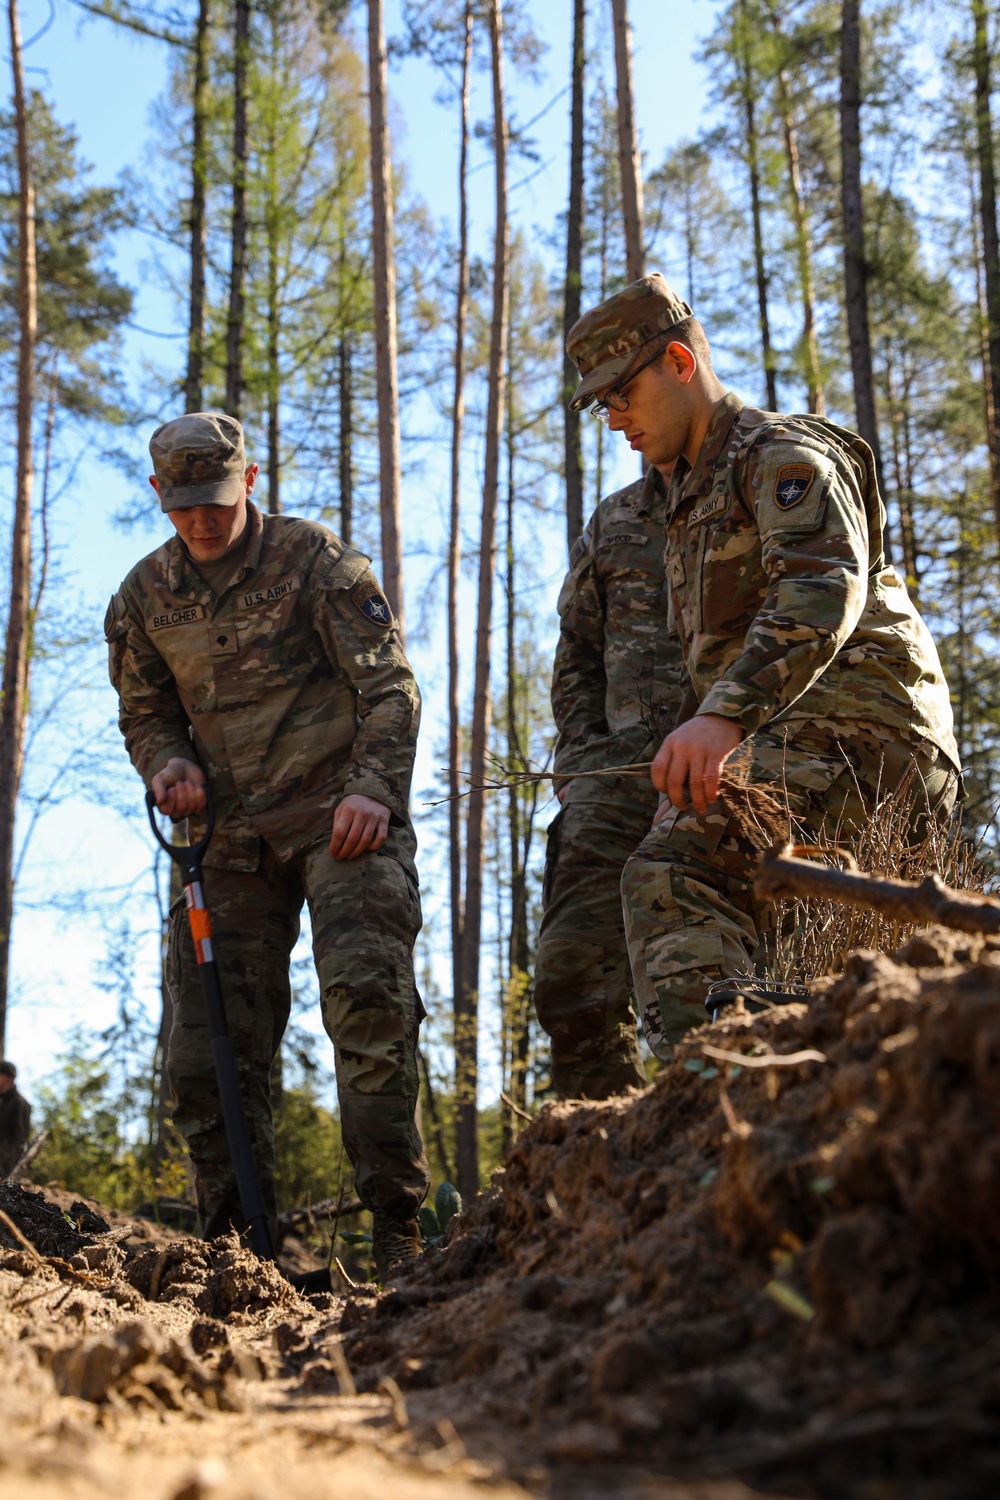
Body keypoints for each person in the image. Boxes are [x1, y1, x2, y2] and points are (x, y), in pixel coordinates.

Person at [565, 274, 961, 1057]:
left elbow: (822, 585)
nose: (614, 421)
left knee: (673, 873)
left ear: (680, 363)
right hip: (812, 741)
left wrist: (722, 717)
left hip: (859, 729)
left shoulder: (777, 453)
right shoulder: (682, 499)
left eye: (621, 395)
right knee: (821, 977)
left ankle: (723, 1103)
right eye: (599, 406)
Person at [105, 411, 429, 1278]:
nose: (202, 519)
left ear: (250, 481)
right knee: (206, 1043)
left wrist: (372, 790)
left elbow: (392, 690)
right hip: (228, 837)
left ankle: (398, 1237)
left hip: (338, 817)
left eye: (216, 499)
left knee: (368, 1005)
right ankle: (237, 1249)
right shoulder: (143, 597)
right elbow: (145, 714)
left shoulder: (317, 562)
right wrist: (168, 764)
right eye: (183, 505)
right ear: (158, 496)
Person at [535, 466, 685, 1098]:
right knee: (569, 970)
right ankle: (604, 1154)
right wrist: (579, 760)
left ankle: (716, 1140)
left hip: (739, 766)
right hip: (620, 771)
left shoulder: (757, 483)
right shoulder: (615, 519)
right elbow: (577, 649)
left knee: (701, 976)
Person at [0, 1060, 31, 1178]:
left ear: (6, 1079)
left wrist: (7, 1170)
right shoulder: (2, 1101)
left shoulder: (19, 1104)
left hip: (6, 1167)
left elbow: (20, 1141)